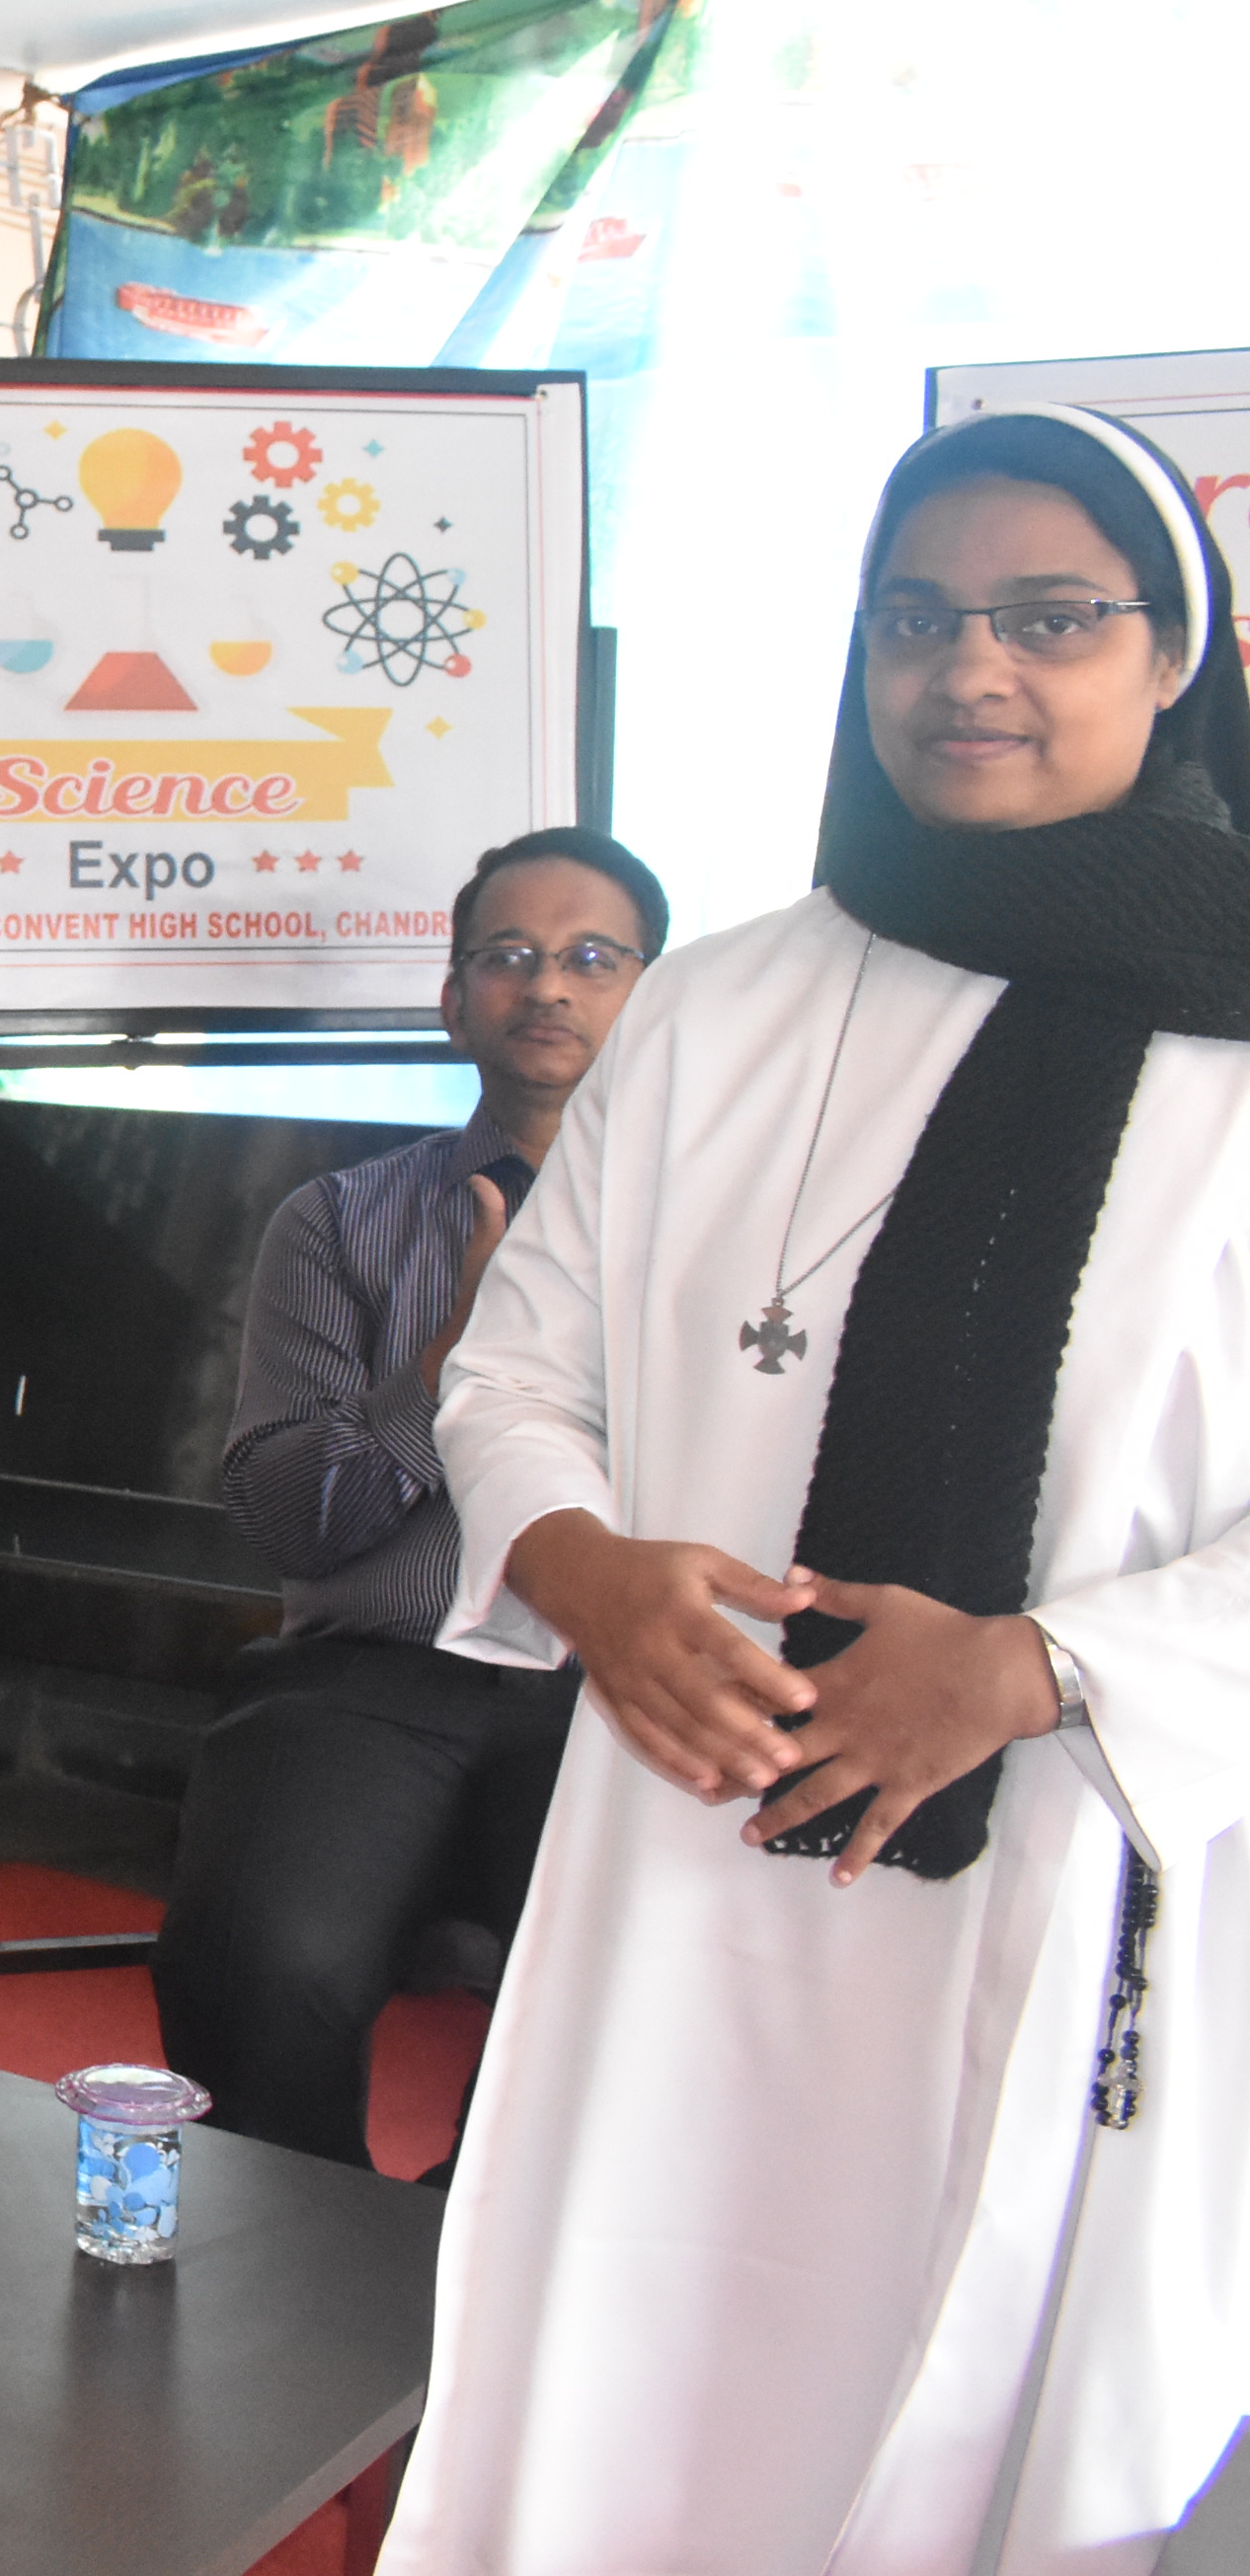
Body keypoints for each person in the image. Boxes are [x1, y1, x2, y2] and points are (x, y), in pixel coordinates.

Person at [388, 406, 1250, 2571]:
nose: (970, 669)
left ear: (1174, 655)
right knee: (634, 2377)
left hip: (1064, 1840)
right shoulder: (714, 1007)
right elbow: (517, 1371)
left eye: (1049, 618)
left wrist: (1040, 1670)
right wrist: (584, 1575)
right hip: (684, 1826)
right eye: (913, 618)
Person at [150, 827, 664, 2167]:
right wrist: (447, 1365)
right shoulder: (341, 1221)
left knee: (638, 1986)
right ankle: (294, 2246)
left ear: (654, 999)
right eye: (508, 956)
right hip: (379, 1671)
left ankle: (472, 2243)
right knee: (261, 1956)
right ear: (452, 1003)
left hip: (622, 1681)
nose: (545, 986)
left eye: (592, 959)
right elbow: (290, 1524)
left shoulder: (734, 1235)